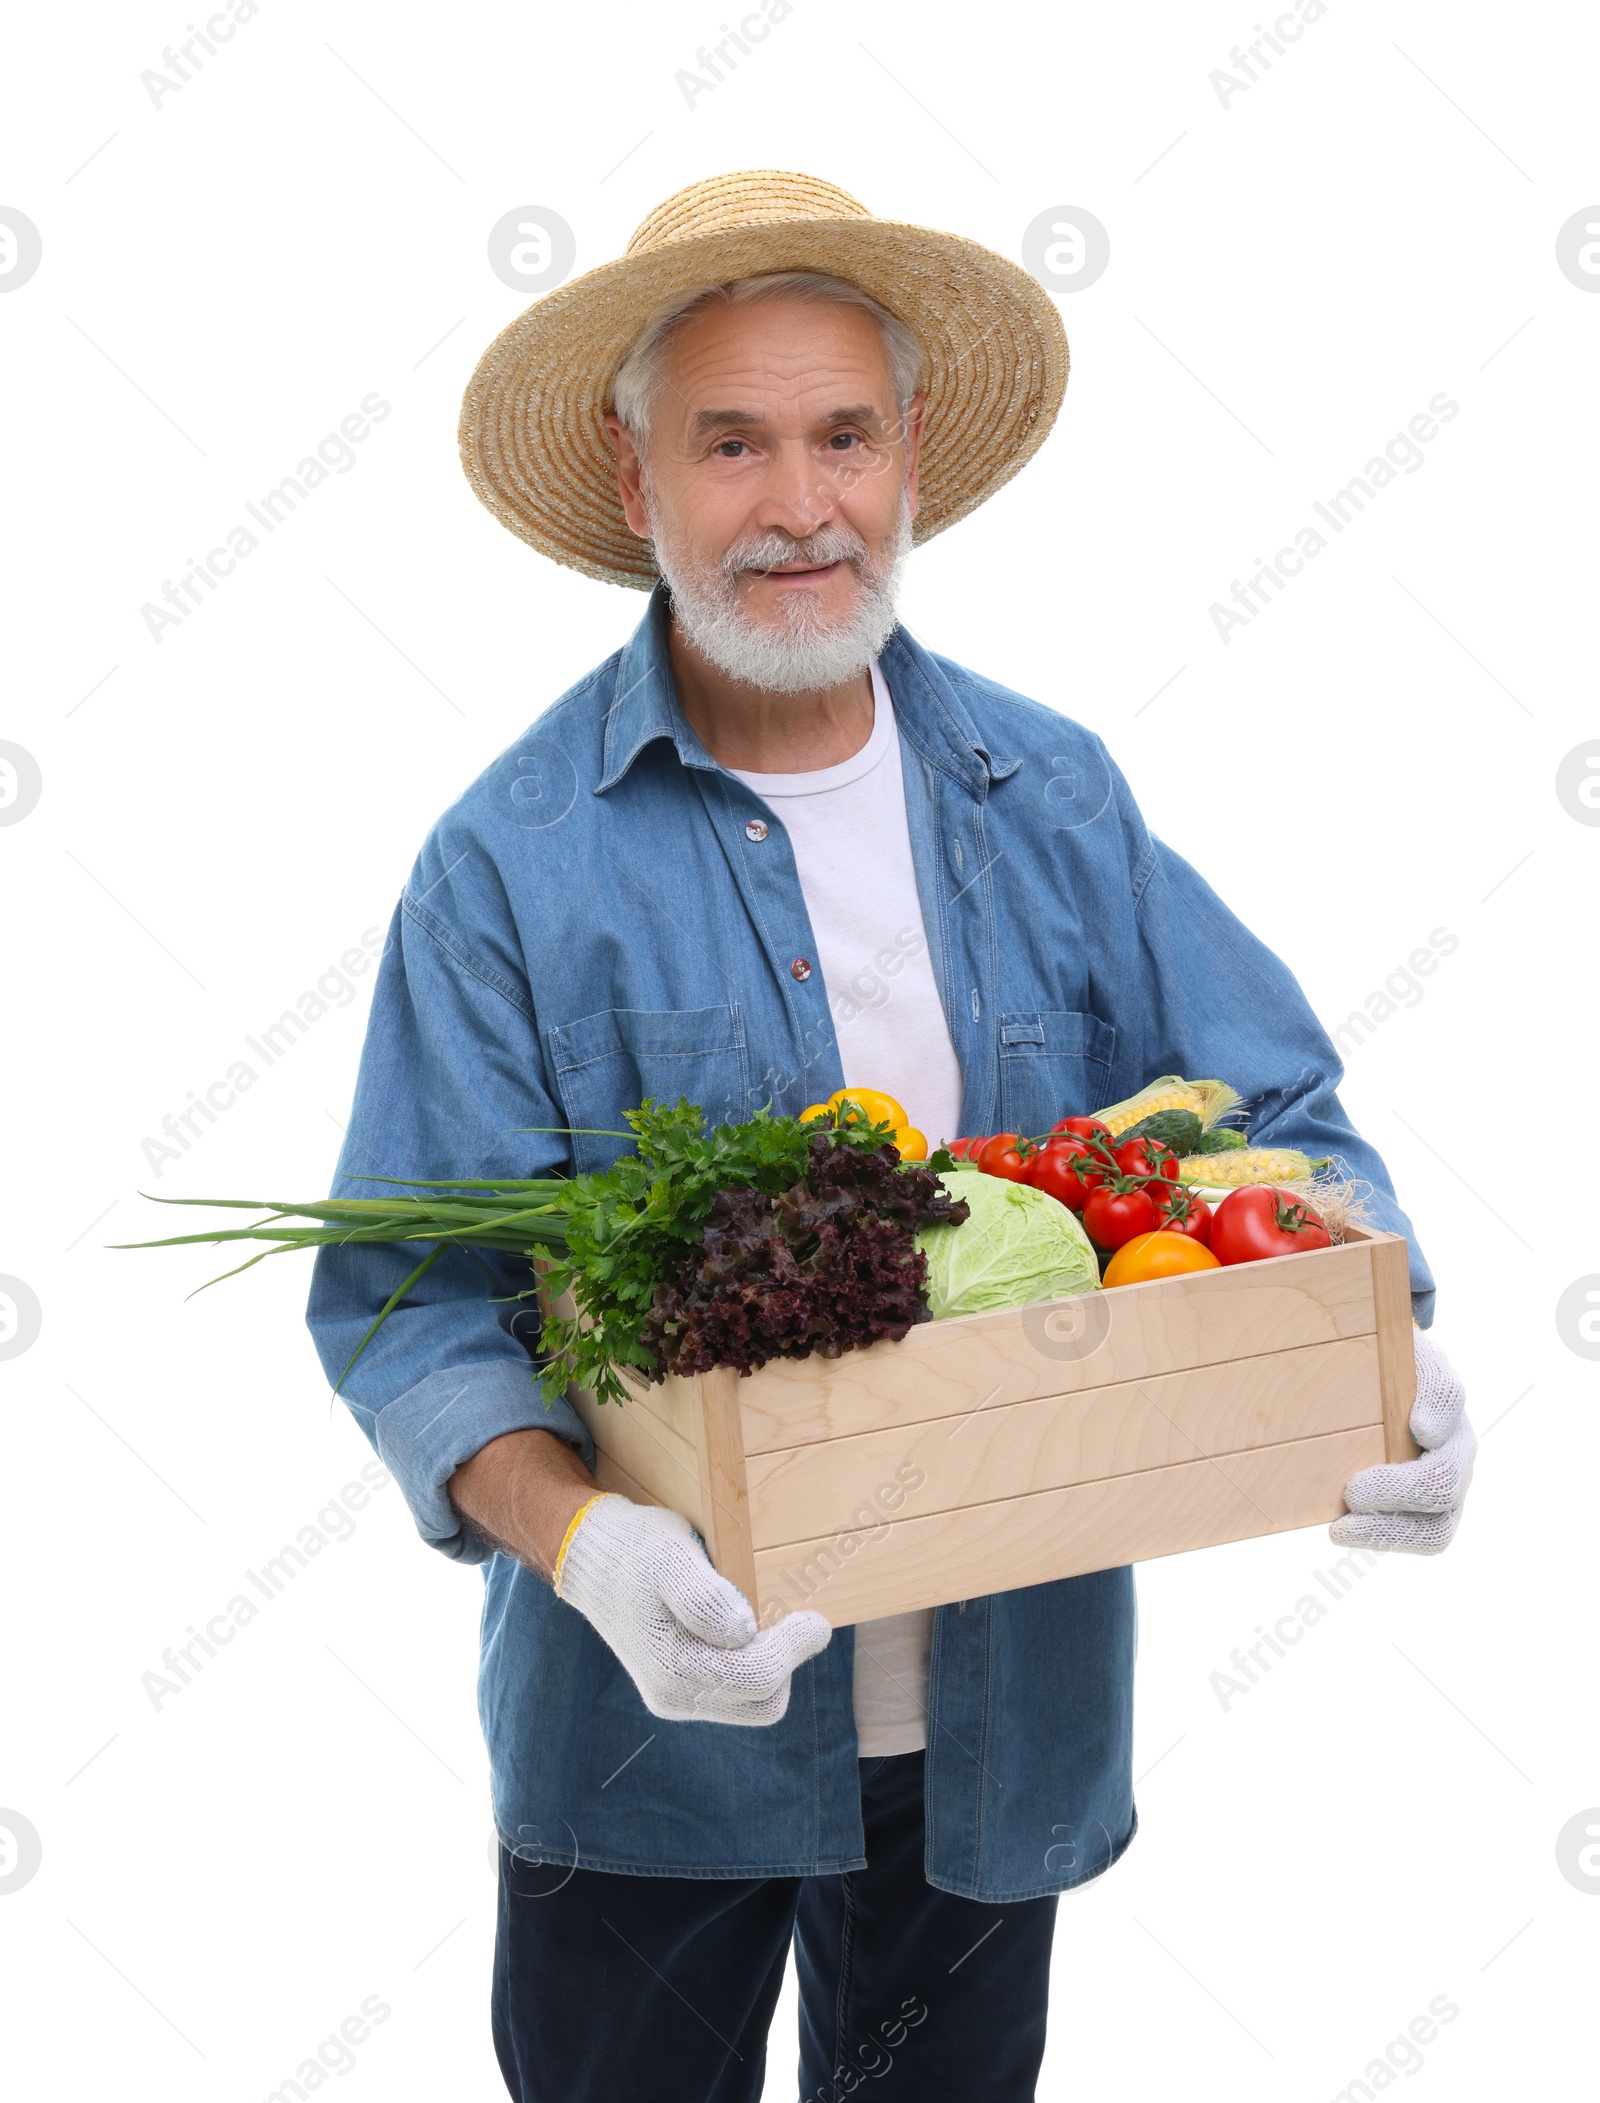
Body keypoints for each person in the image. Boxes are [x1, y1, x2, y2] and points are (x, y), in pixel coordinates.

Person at [307, 170, 1476, 2103]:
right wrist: (593, 1552)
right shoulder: (510, 861)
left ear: (910, 455)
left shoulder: (1052, 796)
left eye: (844, 433)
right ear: (637, 485)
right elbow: (411, 1308)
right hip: (652, 1743)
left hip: (1001, 1723)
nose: (799, 503)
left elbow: (1278, 1118)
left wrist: (1383, 1342)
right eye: (733, 442)